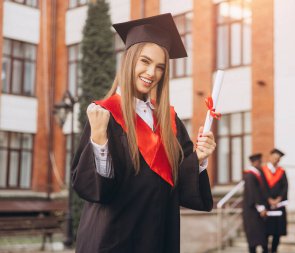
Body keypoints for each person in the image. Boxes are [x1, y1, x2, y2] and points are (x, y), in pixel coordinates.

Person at [71, 13, 216, 253]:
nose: (151, 73)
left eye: (160, 67)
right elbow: (94, 189)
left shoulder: (169, 120)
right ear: (129, 60)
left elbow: (180, 186)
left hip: (158, 236)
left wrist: (199, 159)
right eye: (145, 61)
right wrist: (98, 141)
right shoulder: (104, 114)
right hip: (113, 238)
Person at [261, 148, 288, 253]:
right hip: (266, 205)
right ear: (270, 157)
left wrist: (278, 199)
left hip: (279, 206)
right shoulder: (263, 171)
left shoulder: (282, 172)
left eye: (278, 159)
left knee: (277, 231)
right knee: (265, 231)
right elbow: (261, 187)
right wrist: (269, 199)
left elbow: (285, 187)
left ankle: (274, 250)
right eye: (274, 158)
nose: (276, 160)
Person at [243, 153, 269, 253]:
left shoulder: (257, 174)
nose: (261, 163)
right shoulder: (250, 175)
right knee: (254, 238)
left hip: (255, 211)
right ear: (254, 162)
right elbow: (253, 193)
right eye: (259, 162)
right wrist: (261, 208)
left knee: (261, 238)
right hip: (252, 211)